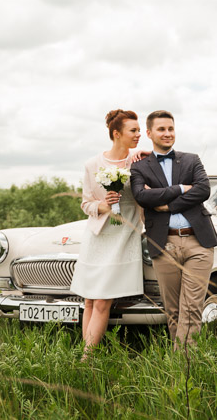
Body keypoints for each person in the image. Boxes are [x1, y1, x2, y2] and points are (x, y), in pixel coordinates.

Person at [130, 110, 217, 348]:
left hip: (198, 242)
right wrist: (181, 188)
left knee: (191, 306)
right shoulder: (140, 167)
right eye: (161, 129)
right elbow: (141, 196)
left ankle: (185, 363)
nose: (167, 133)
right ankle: (181, 364)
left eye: (171, 128)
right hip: (164, 243)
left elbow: (203, 190)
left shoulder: (191, 159)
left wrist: (166, 205)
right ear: (149, 133)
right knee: (172, 309)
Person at [70, 109, 146, 359]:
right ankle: (87, 356)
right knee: (90, 300)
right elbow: (86, 204)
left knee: (103, 301)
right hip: (99, 236)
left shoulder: (137, 162)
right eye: (133, 131)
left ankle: (86, 358)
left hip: (125, 234)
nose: (138, 135)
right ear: (117, 133)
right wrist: (103, 205)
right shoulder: (93, 164)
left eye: (138, 130)